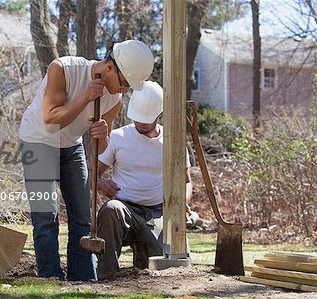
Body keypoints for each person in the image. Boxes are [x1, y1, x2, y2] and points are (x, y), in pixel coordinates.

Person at [19, 40, 154, 281]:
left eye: (128, 88)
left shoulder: (114, 99)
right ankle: (50, 277)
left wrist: (102, 135)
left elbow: (102, 146)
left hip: (71, 146)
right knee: (46, 216)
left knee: (82, 216)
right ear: (110, 67)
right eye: (123, 83)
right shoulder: (63, 69)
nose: (123, 90)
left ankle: (83, 278)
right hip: (38, 140)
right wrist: (85, 97)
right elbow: (50, 121)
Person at [96, 81, 196, 280]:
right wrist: (101, 183)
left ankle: (143, 259)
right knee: (110, 209)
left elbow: (186, 181)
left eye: (145, 120)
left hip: (158, 212)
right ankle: (107, 275)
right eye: (136, 119)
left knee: (171, 268)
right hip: (125, 210)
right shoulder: (118, 137)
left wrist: (182, 203)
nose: (140, 123)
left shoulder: (172, 142)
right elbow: (92, 173)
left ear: (159, 115)